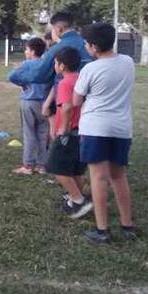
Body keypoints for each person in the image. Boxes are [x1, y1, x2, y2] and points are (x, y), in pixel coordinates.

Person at [74, 23, 136, 244]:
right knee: (119, 176)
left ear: (93, 46)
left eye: (86, 44)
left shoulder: (90, 69)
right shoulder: (128, 62)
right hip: (121, 128)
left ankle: (102, 230)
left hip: (95, 128)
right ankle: (127, 226)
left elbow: (76, 100)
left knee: (98, 178)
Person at [45, 47, 93, 219]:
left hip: (69, 131)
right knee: (75, 169)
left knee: (56, 167)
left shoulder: (65, 82)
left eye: (55, 62)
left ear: (62, 65)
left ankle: (79, 200)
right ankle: (74, 199)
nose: (54, 65)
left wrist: (62, 130)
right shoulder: (81, 78)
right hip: (83, 130)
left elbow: (66, 107)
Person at [7, 37, 51, 175]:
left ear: (32, 51)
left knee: (29, 133)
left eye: (26, 49)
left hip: (29, 102)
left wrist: (24, 84)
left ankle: (28, 165)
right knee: (43, 134)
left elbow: (12, 76)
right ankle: (42, 165)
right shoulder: (46, 64)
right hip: (45, 103)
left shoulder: (27, 64)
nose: (25, 52)